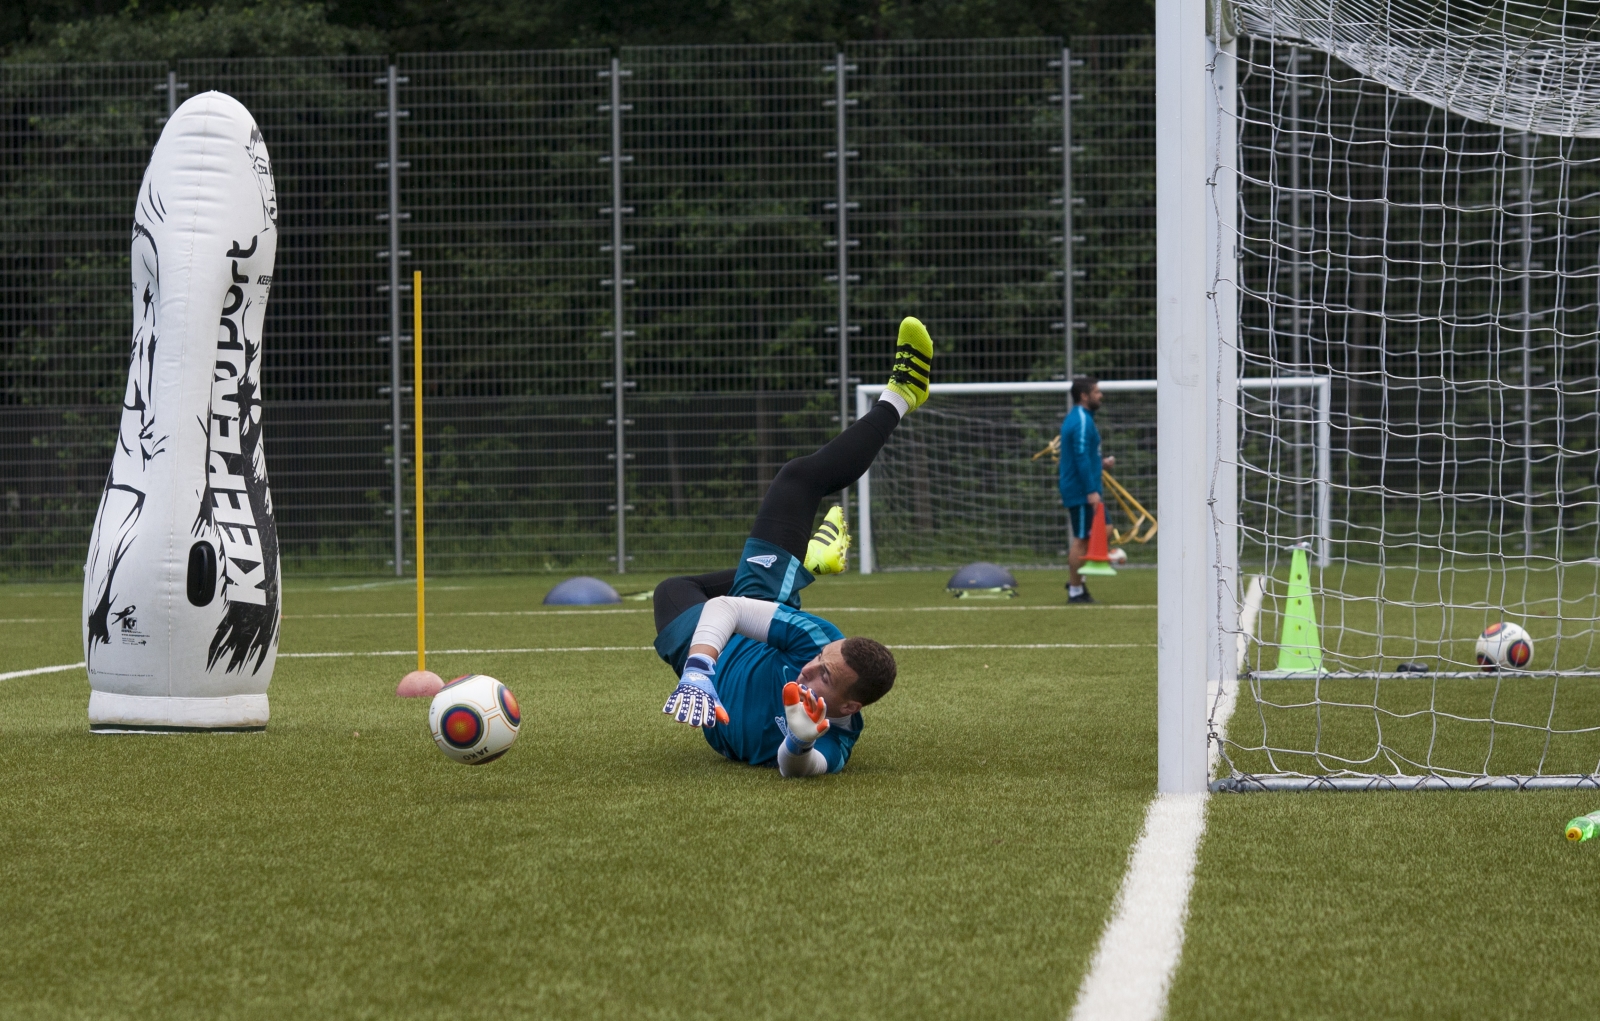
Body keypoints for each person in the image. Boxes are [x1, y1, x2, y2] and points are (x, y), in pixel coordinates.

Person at [651, 317, 934, 777]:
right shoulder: (815, 639)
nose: (808, 670)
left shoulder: (841, 733)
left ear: (851, 703)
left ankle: (802, 562)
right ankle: (902, 394)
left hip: (721, 681)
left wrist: (800, 741)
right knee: (799, 479)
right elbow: (726, 608)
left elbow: (795, 770)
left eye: (825, 676)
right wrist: (699, 669)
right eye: (819, 663)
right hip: (740, 628)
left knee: (671, 591)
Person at [1059, 376, 1114, 604]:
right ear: (1084, 396)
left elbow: (1083, 455)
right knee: (1081, 539)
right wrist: (1091, 490)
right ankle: (1075, 589)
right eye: (1096, 391)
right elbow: (1080, 456)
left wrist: (1101, 464)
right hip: (1081, 490)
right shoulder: (1081, 420)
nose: (1100, 395)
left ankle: (1077, 579)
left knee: (1106, 528)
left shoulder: (1084, 419)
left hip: (1086, 487)